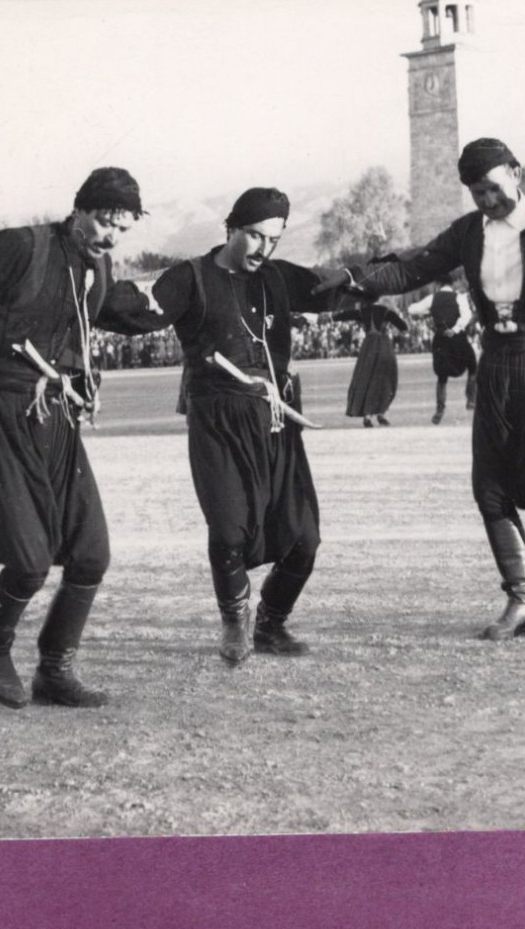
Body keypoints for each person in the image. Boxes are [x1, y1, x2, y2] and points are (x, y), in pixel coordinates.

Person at [323, 139, 525, 641]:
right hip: (498, 366)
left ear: (517, 173)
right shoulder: (466, 234)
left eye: (494, 189)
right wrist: (353, 281)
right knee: (490, 489)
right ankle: (523, 599)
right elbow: (412, 268)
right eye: (477, 193)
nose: (488, 201)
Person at [0, 167, 150, 709]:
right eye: (103, 221)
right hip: (2, 409)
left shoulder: (96, 272)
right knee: (29, 558)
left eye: (121, 230)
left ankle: (55, 670)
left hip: (58, 416)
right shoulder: (19, 247)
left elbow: (111, 319)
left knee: (91, 552)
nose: (109, 237)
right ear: (79, 209)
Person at [120, 187, 360, 664]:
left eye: (273, 239)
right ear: (231, 228)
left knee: (304, 538)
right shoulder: (190, 278)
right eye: (253, 236)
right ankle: (235, 621)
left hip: (275, 417)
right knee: (229, 529)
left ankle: (271, 623)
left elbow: (342, 284)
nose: (263, 249)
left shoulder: (277, 276)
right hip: (220, 420)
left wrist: (387, 279)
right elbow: (134, 313)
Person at [338, 304, 407, 427]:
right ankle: (381, 413)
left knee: (367, 379)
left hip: (368, 346)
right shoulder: (386, 311)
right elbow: (403, 326)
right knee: (386, 380)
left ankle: (367, 416)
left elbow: (345, 315)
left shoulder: (362, 311)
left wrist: (331, 317)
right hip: (383, 346)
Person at [427, 283, 478, 424]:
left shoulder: (433, 298)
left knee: (441, 376)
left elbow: (414, 310)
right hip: (457, 338)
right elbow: (467, 315)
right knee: (473, 365)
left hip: (440, 338)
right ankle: (471, 399)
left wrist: (429, 315)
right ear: (451, 284)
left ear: (438, 284)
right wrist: (455, 329)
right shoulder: (458, 297)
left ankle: (439, 409)